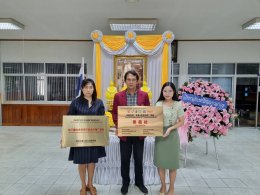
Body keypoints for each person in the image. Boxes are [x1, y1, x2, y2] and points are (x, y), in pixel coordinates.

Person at [112, 70, 150, 195]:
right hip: (125, 133)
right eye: (129, 79)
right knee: (125, 159)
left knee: (139, 159)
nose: (131, 82)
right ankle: (125, 183)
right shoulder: (118, 96)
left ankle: (139, 182)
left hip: (139, 133)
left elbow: (149, 112)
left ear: (137, 81)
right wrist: (120, 125)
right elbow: (115, 113)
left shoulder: (144, 95)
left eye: (133, 79)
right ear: (125, 81)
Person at [67, 78, 106, 195]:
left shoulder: (99, 102)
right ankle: (83, 186)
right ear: (82, 89)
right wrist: (65, 136)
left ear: (94, 89)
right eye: (86, 87)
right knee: (82, 161)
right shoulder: (75, 102)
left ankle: (90, 184)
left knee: (92, 161)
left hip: (94, 138)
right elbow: (69, 119)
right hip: (80, 138)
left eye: (91, 87)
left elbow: (102, 118)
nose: (88, 90)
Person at [154, 82, 184, 195]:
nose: (167, 93)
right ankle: (163, 186)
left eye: (170, 91)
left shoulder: (178, 104)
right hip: (160, 135)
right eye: (165, 91)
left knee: (172, 164)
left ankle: (171, 188)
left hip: (172, 136)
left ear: (174, 92)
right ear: (162, 92)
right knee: (161, 163)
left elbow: (182, 122)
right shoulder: (158, 104)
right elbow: (153, 119)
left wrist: (170, 129)